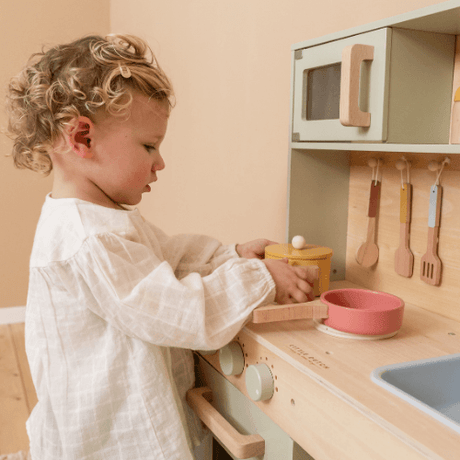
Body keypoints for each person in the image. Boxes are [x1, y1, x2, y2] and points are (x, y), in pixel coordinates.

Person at [5, 34, 317, 460]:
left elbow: (166, 257)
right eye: (149, 146)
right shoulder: (86, 237)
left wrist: (230, 254)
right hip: (109, 441)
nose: (160, 162)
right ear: (82, 138)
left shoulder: (104, 218)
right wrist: (259, 279)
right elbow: (176, 311)